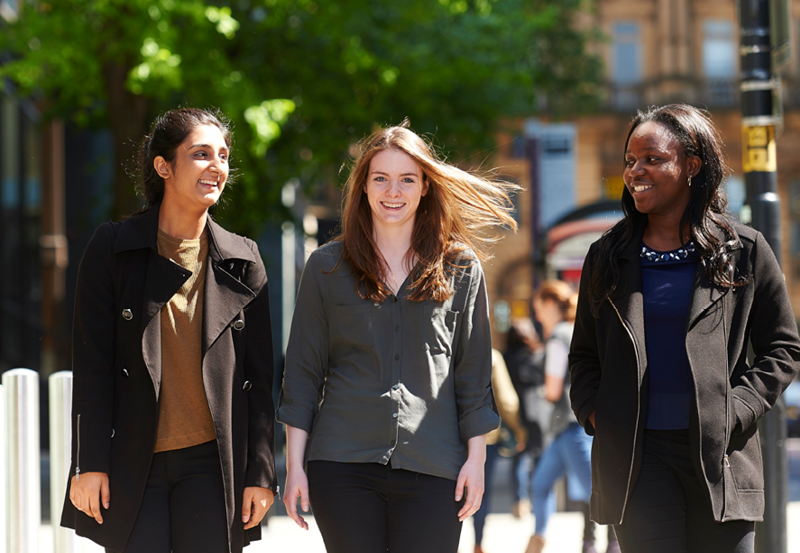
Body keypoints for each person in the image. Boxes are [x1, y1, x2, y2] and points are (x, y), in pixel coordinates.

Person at [277, 120, 518, 553]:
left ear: (425, 186)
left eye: (407, 179)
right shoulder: (326, 267)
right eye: (381, 179)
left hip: (435, 465)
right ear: (364, 187)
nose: (394, 191)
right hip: (342, 464)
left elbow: (473, 375)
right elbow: (303, 373)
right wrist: (294, 465)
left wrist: (477, 461)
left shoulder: (461, 269)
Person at [569, 104, 800, 553]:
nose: (636, 170)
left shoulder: (745, 250)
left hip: (721, 458)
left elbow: (782, 347)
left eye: (652, 159)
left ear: (691, 166)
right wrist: (599, 414)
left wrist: (737, 411)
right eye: (630, 161)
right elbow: (584, 354)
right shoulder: (606, 255)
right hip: (637, 459)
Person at [61, 108, 278, 553]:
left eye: (222, 155)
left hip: (212, 463)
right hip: (133, 459)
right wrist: (87, 462)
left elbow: (260, 383)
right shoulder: (112, 249)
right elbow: (92, 366)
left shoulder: (245, 260)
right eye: (200, 154)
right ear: (164, 166)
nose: (216, 166)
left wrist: (260, 472)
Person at [525, 281, 619, 553]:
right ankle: (538, 540)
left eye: (539, 308)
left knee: (598, 490)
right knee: (542, 484)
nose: (538, 315)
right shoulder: (574, 331)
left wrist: (540, 394)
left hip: (569, 427)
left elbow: (553, 389)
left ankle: (616, 544)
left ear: (552, 305)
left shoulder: (558, 336)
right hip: (568, 427)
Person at [472, 349, 527, 553]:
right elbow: (507, 401)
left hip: (450, 435)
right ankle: (477, 544)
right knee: (480, 493)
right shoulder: (491, 355)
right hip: (485, 435)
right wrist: (518, 430)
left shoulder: (446, 351)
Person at [504, 318, 549, 519]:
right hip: (538, 413)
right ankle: (539, 497)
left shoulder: (506, 357)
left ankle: (520, 501)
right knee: (539, 458)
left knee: (519, 459)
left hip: (516, 413)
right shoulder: (536, 355)